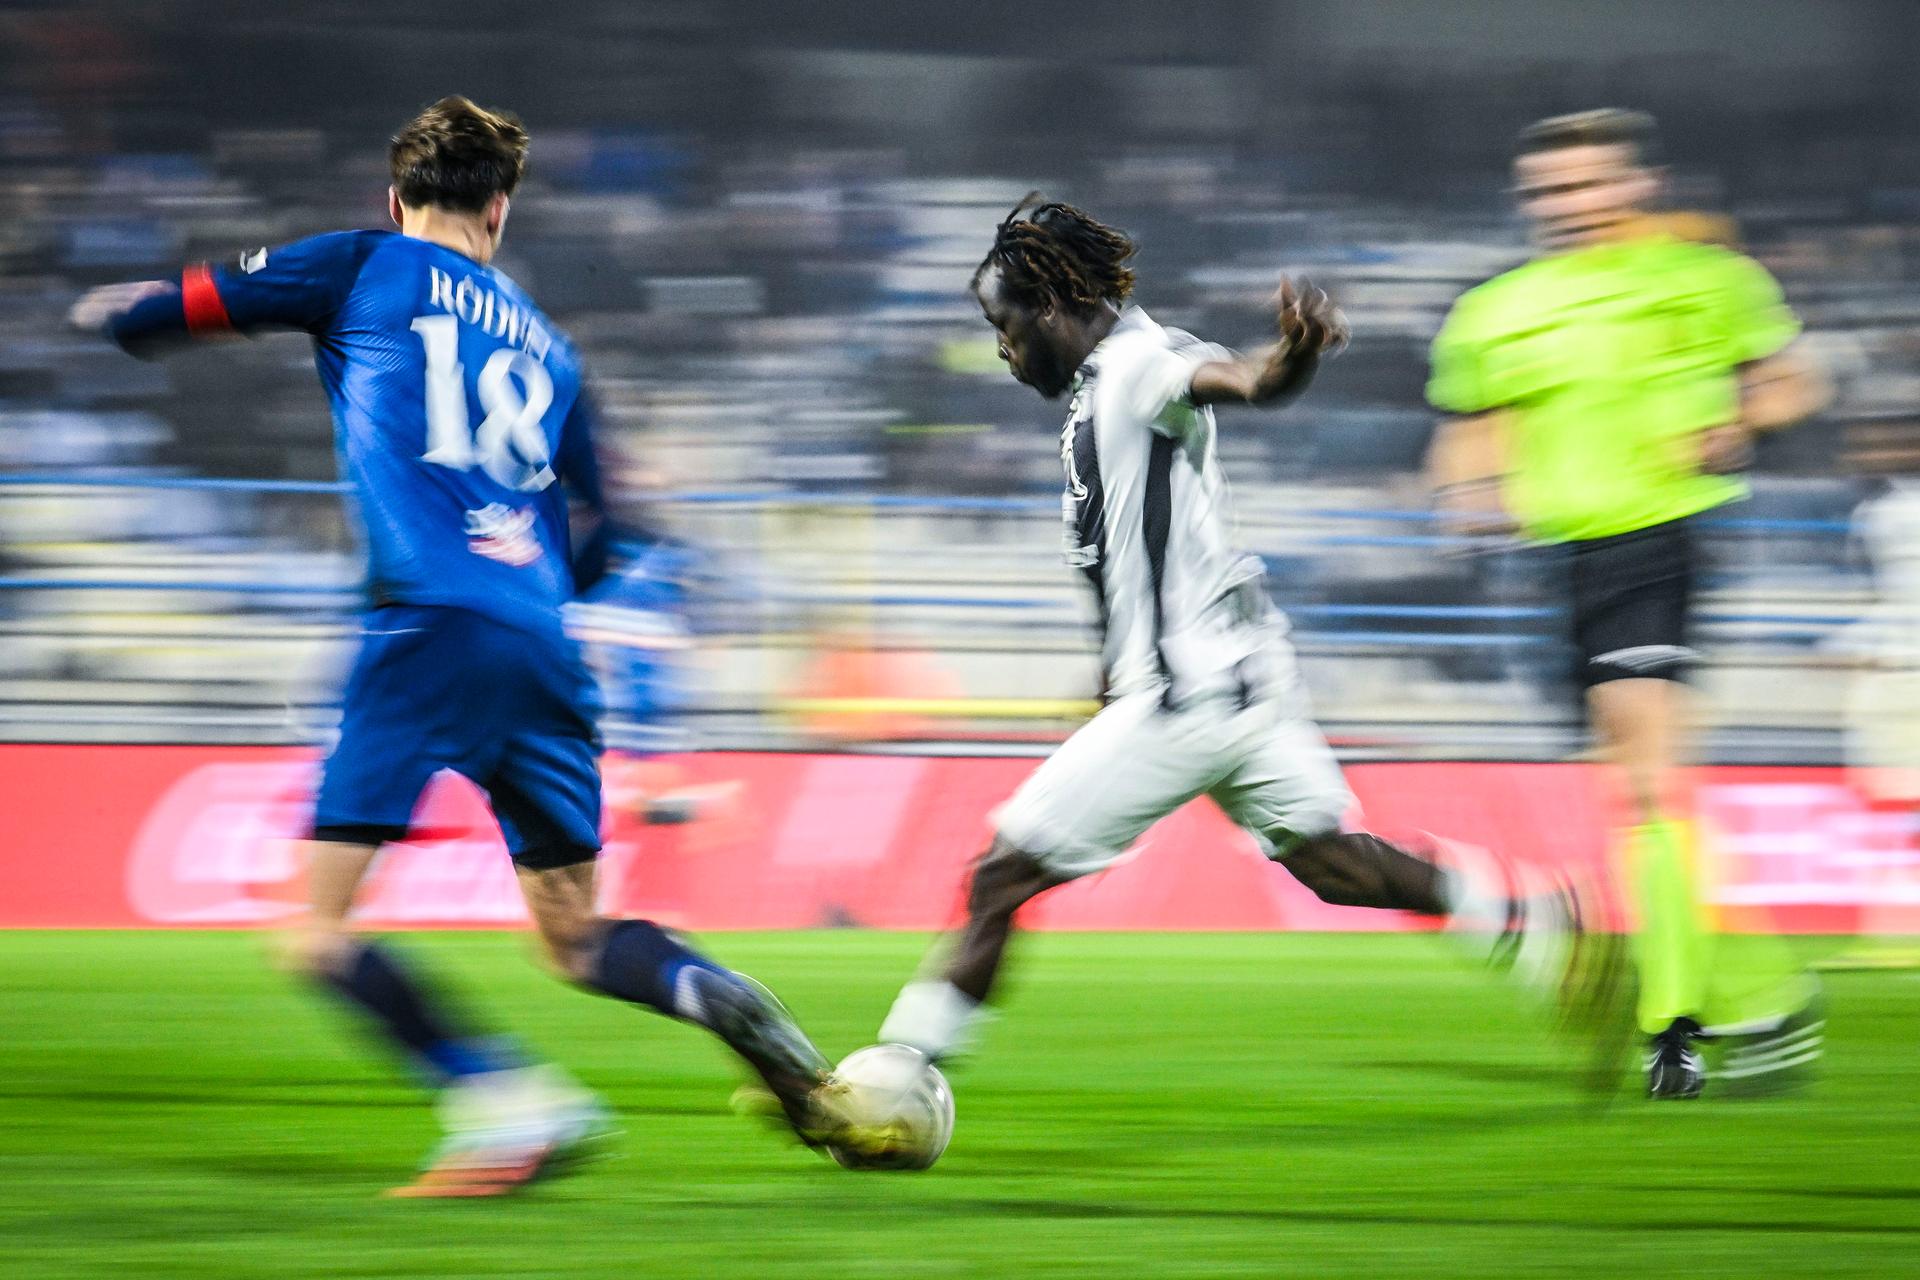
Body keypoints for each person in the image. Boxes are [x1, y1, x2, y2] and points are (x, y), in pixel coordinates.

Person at [69, 96, 835, 1194]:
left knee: (316, 929)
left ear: (398, 199)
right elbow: (615, 524)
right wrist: (529, 591)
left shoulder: (359, 263)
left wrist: (114, 312)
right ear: (500, 209)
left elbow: (180, 306)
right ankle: (714, 993)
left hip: (424, 626)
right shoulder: (555, 350)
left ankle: (509, 1102)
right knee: (574, 935)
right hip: (543, 645)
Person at [869, 196, 1601, 1100]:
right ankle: (1529, 919)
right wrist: (1109, 673)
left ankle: (888, 1082)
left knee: (999, 879)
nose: (1003, 348)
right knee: (1333, 866)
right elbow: (1139, 552)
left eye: (1005, 325)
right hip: (1240, 680)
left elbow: (1239, 380)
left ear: (1051, 306)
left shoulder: (1140, 361)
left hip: (1191, 696)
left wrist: (1287, 359)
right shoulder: (1104, 389)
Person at [1427, 109, 1831, 1099]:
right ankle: (1769, 995)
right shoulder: (1494, 308)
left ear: (1632, 183)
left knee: (1649, 778)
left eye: (1587, 183)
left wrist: (1733, 425)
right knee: (1637, 792)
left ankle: (1673, 1023)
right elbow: (1473, 431)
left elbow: (1792, 383)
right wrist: (1468, 494)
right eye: (1549, 190)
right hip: (1560, 562)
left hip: (1661, 539)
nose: (1567, 204)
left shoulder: (1708, 278)